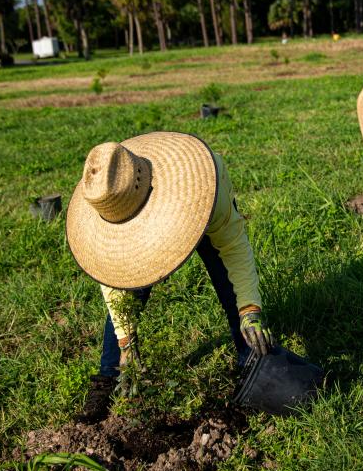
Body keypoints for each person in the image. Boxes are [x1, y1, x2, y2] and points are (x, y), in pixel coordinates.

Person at [66, 131, 275, 423]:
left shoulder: (207, 182)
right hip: (131, 236)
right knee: (128, 288)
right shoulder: (107, 202)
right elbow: (114, 287)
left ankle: (251, 363)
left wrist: (250, 308)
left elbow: (233, 246)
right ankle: (109, 375)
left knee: (229, 286)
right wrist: (126, 342)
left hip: (193, 206)